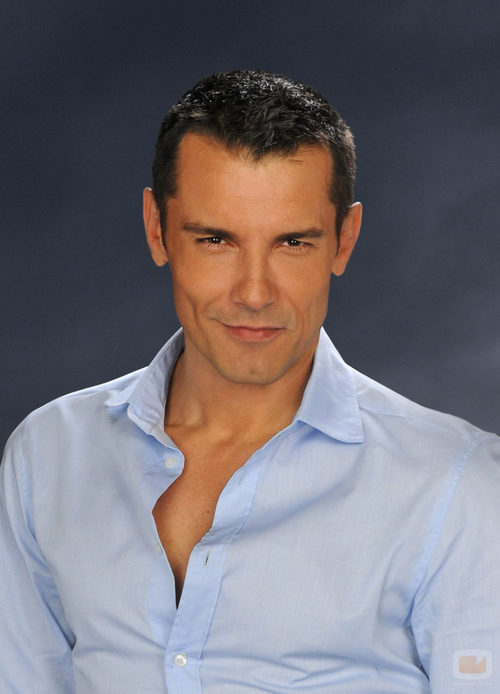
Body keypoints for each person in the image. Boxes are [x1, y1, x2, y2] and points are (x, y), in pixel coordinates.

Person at [0, 69, 499, 694]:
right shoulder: (48, 454)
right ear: (156, 228)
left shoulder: (459, 486)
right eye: (216, 239)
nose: (255, 293)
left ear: (344, 240)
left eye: (293, 242)